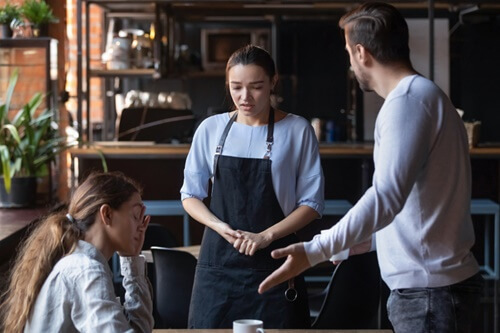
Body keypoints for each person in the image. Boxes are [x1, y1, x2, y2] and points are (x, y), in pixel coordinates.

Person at [258, 3, 483, 332]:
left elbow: (386, 197)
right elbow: (416, 206)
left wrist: (316, 250)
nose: (349, 63)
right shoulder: (425, 96)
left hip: (430, 297)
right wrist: (359, 242)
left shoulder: (406, 102)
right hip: (435, 291)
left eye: (348, 52)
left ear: (361, 52)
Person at [180, 44, 324, 328]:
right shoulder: (210, 129)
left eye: (256, 87)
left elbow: (312, 204)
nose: (244, 97)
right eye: (236, 87)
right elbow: (190, 194)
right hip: (218, 268)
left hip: (276, 263)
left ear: (273, 82)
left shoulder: (297, 130)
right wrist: (220, 227)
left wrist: (265, 236)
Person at [0, 172, 154, 333]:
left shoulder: (81, 263)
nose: (141, 226)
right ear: (107, 214)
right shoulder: (86, 270)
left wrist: (132, 260)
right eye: (136, 216)